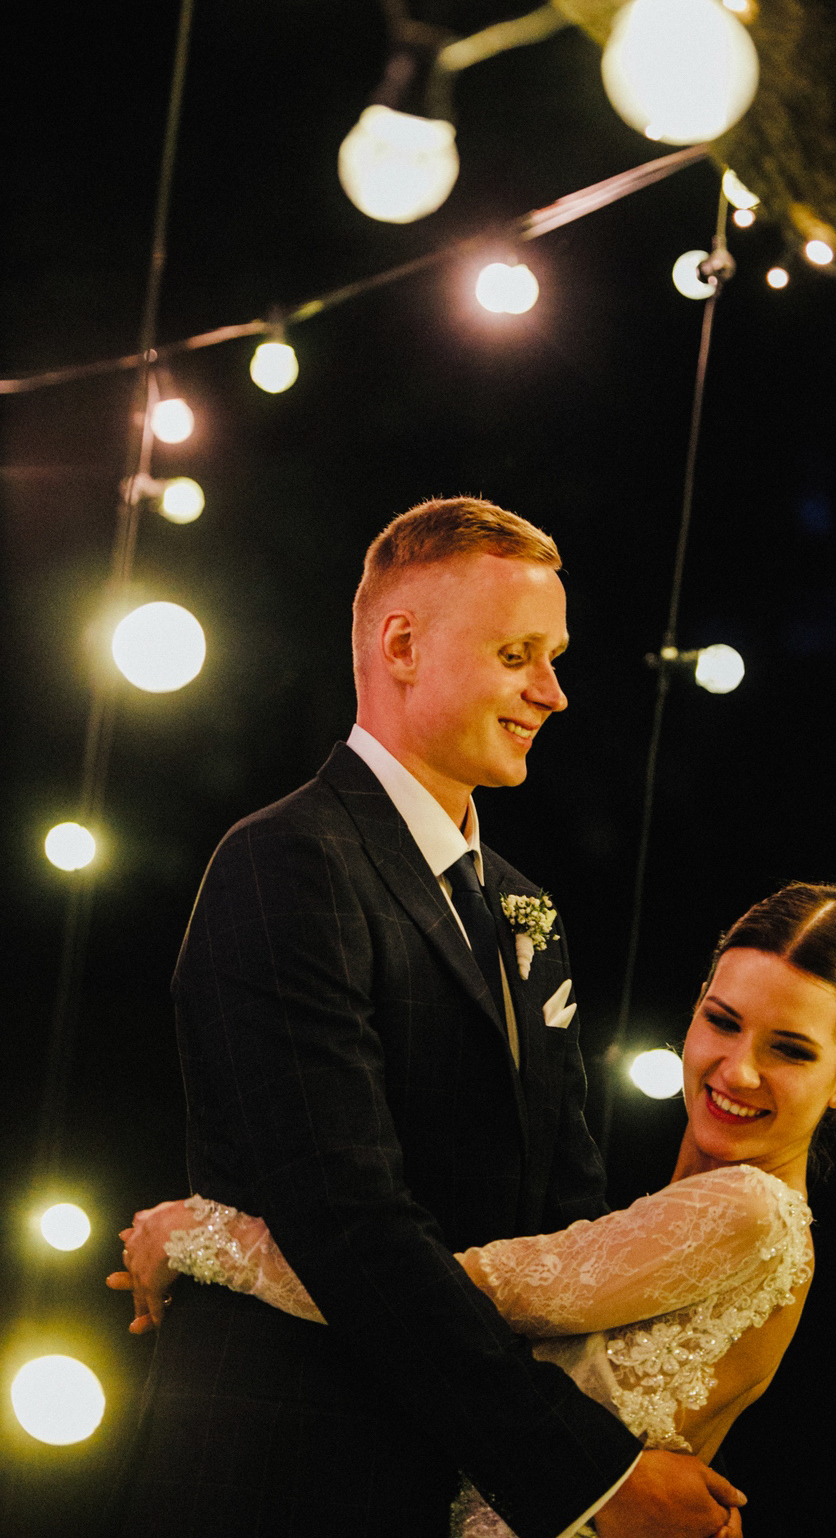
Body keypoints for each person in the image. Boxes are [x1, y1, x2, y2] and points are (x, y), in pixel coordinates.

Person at [111, 497, 745, 1538]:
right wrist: (589, 1476)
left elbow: (564, 1218)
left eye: (553, 657)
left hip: (463, 1481)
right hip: (294, 1472)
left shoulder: (523, 905)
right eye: (516, 654)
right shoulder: (286, 862)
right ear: (402, 646)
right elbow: (346, 1218)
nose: (552, 691)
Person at [114, 881, 836, 1538]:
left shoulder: (750, 1210)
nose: (738, 1070)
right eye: (722, 1022)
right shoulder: (717, 1213)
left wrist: (198, 1234)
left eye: (789, 1050)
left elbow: (426, 1298)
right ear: (693, 1012)